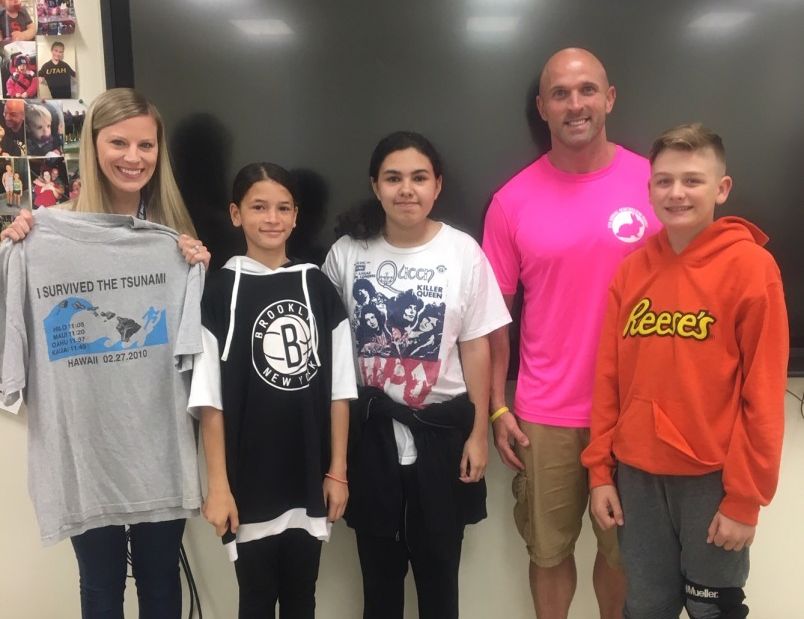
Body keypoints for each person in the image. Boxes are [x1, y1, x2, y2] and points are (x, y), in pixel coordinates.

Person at [0, 88, 209, 619]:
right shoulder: (40, 236)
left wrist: (195, 268)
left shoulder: (174, 242)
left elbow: (198, 356)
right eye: (118, 142)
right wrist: (11, 250)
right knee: (99, 586)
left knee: (161, 585)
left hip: (157, 449)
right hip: (82, 453)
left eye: (146, 145)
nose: (133, 157)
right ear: (92, 146)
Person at [581, 123, 788, 619]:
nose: (676, 193)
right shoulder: (631, 270)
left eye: (692, 181)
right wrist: (599, 473)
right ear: (649, 188)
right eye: (664, 181)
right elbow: (608, 379)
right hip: (636, 478)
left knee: (711, 608)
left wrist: (745, 500)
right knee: (646, 607)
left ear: (722, 188)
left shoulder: (752, 269)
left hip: (712, 482)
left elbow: (763, 395)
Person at [482, 47, 660, 619]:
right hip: (545, 415)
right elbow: (492, 319)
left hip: (638, 409)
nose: (574, 104)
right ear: (542, 108)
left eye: (587, 90)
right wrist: (496, 407)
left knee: (625, 553)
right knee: (549, 552)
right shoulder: (511, 201)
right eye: (560, 93)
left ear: (609, 99)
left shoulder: (657, 184)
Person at [323, 131, 511, 619]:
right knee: (378, 586)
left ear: (437, 185)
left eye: (419, 178)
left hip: (442, 437)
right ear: (375, 185)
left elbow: (476, 346)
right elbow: (332, 353)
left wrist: (480, 434)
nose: (406, 189)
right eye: (393, 178)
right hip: (372, 440)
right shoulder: (347, 253)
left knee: (439, 582)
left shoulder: (462, 252)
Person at [189, 162, 357, 618]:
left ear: (297, 216)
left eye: (283, 208)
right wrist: (218, 487)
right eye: (259, 207)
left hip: (307, 475)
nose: (272, 218)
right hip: (248, 483)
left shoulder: (317, 286)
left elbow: (340, 389)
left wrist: (337, 471)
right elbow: (209, 401)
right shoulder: (219, 291)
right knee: (257, 601)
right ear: (235, 214)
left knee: (303, 598)